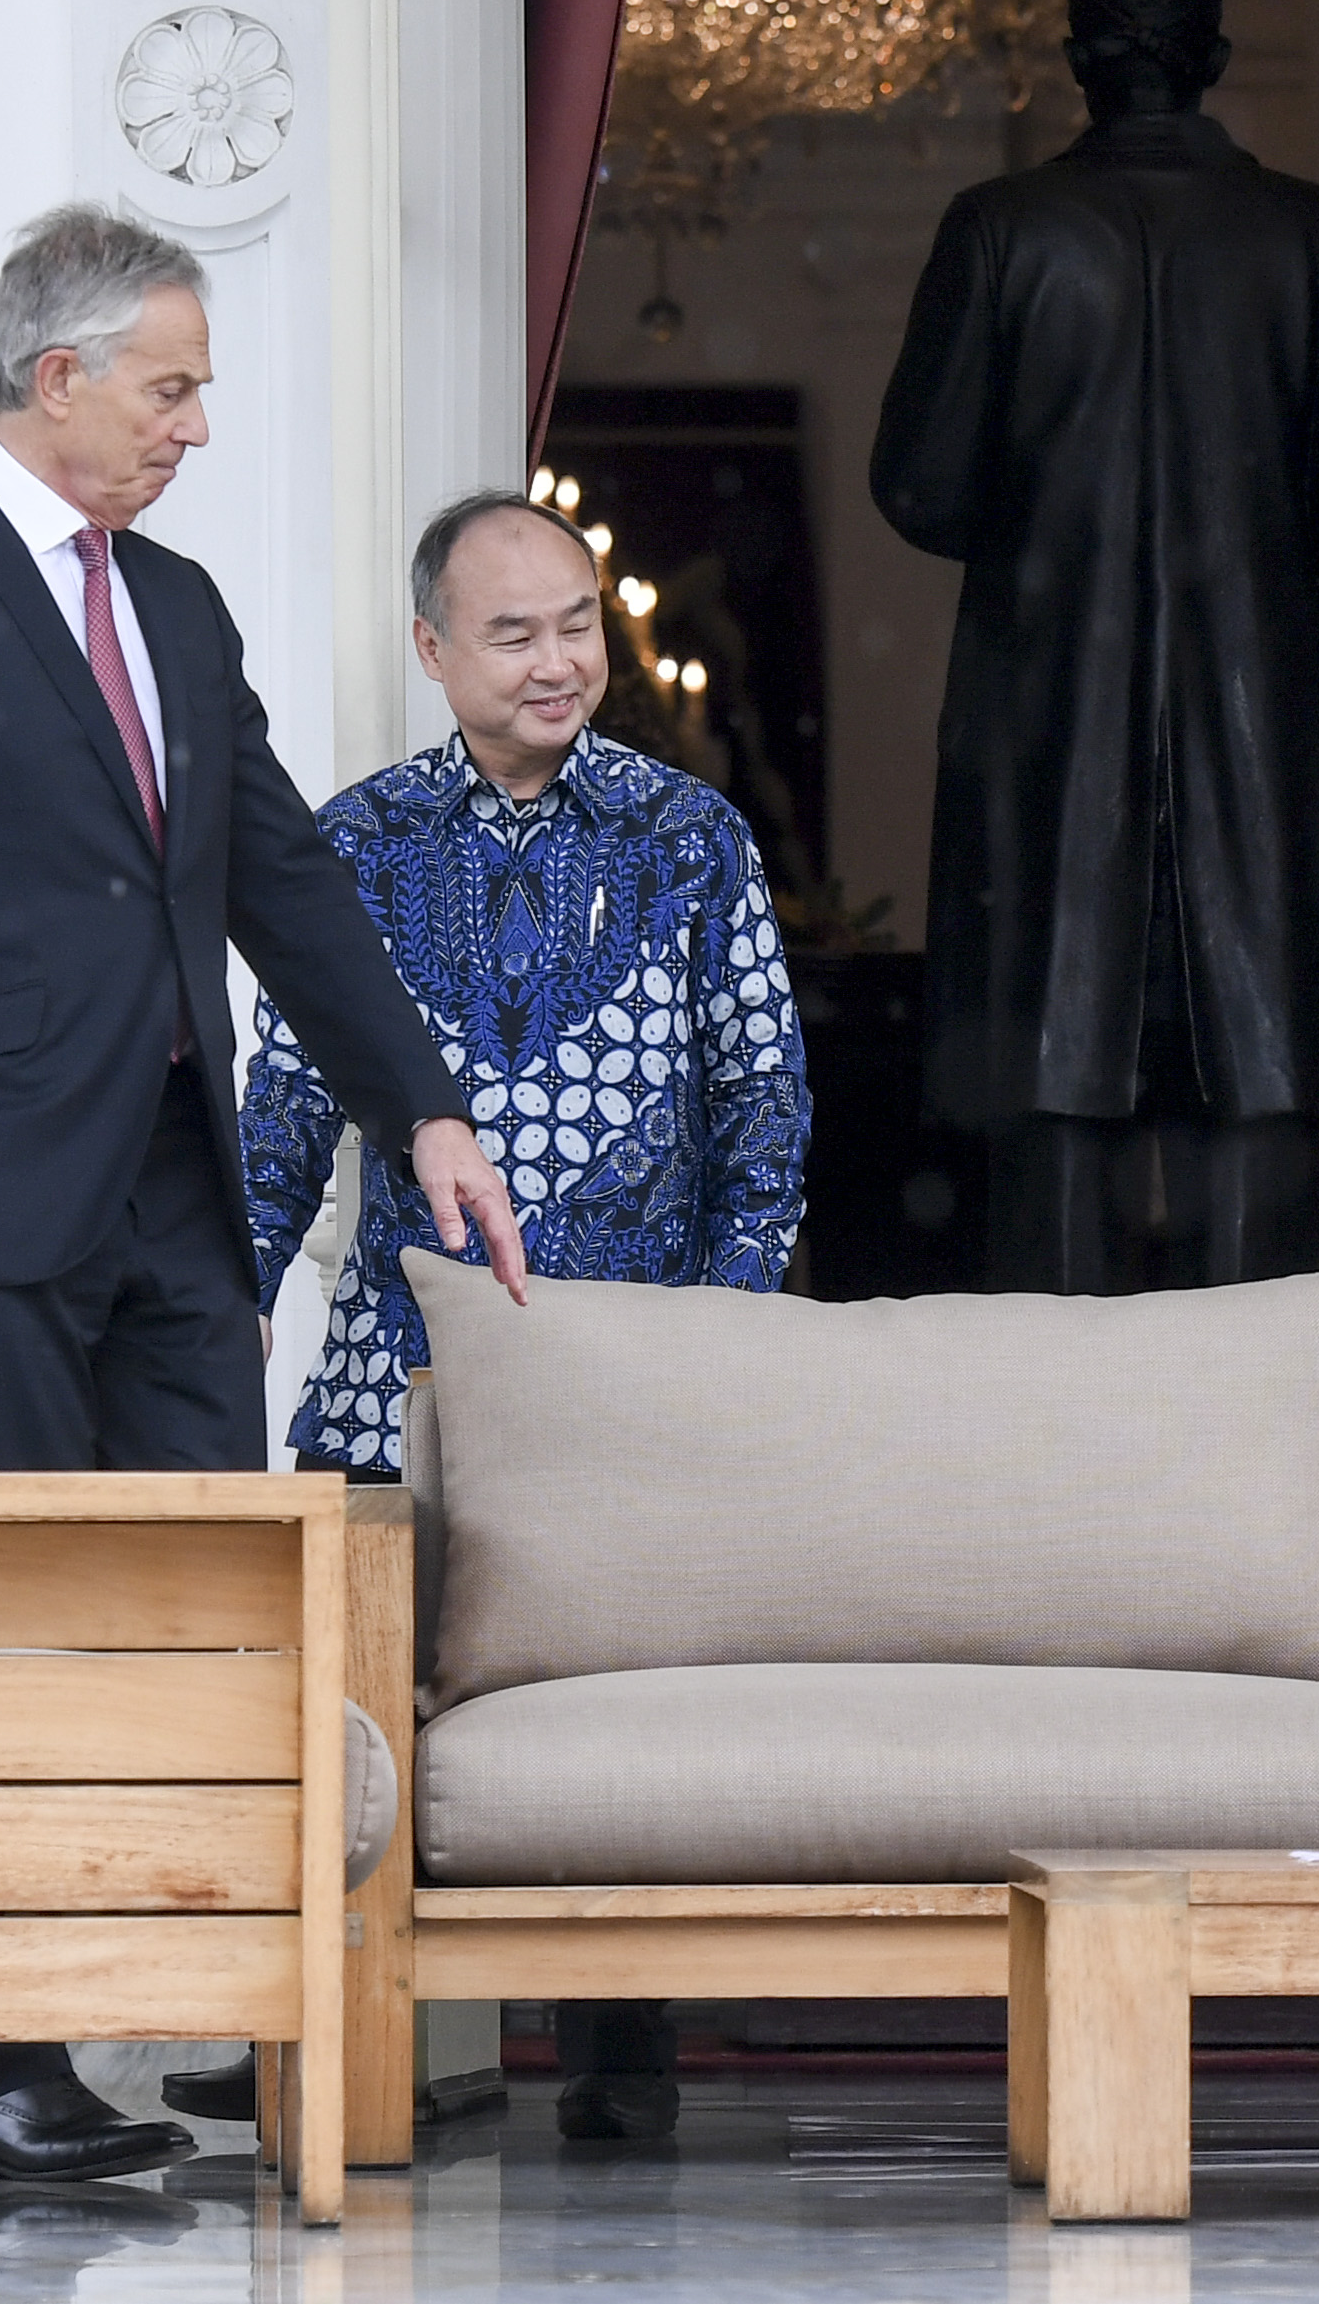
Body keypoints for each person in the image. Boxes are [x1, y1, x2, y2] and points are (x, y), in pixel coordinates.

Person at [0, 205, 529, 2184]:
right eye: (170, 387)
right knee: (4, 1629)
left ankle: (195, 2007)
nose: (195, 423)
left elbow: (277, 874)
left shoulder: (174, 603)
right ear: (58, 376)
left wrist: (423, 1112)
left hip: (177, 1196)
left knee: (201, 1614)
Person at [214, 488, 810, 2140]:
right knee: (340, 1693)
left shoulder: (690, 838)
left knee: (617, 1705)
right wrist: (231, 1301)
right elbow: (284, 1114)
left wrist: (717, 1335)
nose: (557, 662)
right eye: (512, 633)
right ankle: (326, 2029)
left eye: (576, 627)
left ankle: (622, 2042)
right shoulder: (355, 844)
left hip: (628, 1358)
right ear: (432, 650)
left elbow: (762, 1118)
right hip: (393, 1363)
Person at [873, 0, 1319, 1296]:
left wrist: (1055, 514)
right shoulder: (1309, 233)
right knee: (1260, 1106)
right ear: (1214, 57)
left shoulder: (1001, 230)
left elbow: (919, 487)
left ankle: (1062, 1422)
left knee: (1052, 1105)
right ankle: (1267, 1413)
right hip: (1264, 738)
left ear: (1075, 61)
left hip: (1051, 734)